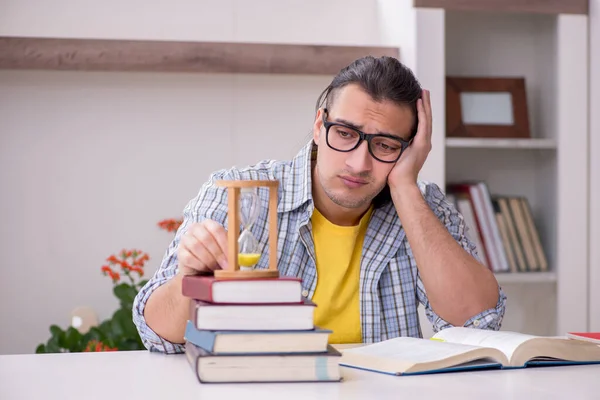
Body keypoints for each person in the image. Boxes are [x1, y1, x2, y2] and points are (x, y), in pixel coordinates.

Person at [132, 56, 507, 354]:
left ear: (409, 150)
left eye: (386, 146)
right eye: (345, 134)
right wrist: (189, 278)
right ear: (318, 126)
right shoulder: (239, 195)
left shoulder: (422, 208)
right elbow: (156, 334)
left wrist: (405, 188)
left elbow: (476, 323)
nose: (359, 164)